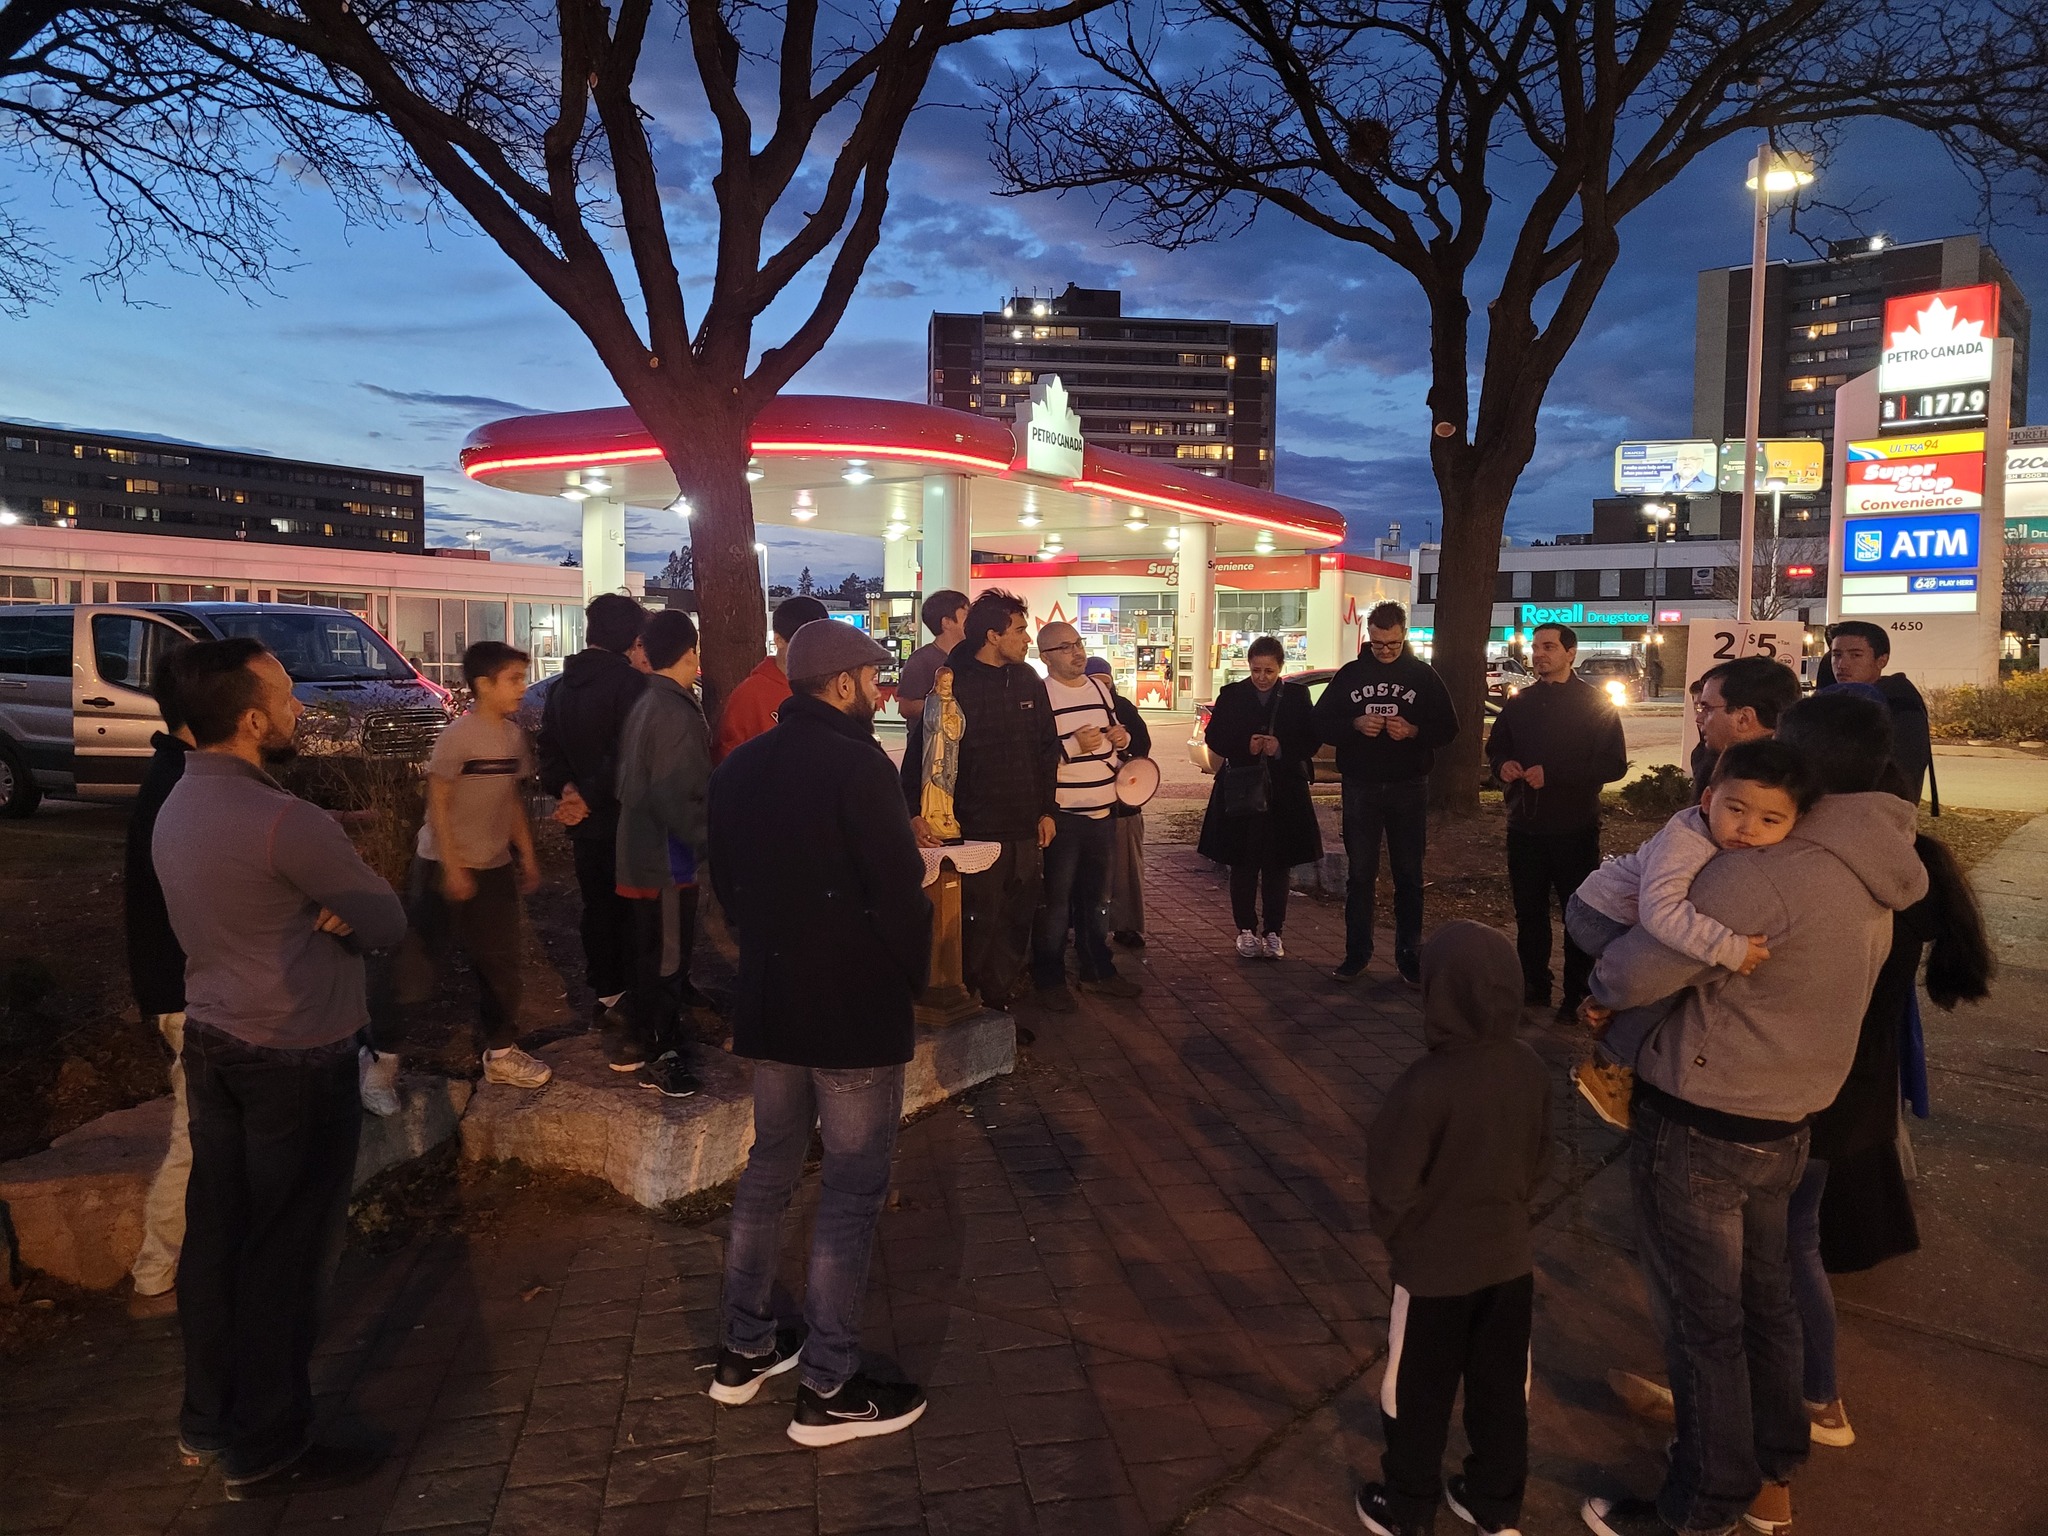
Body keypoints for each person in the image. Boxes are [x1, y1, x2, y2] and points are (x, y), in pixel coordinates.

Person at [1578, 691, 1928, 1536]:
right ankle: (1772, 1464)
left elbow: (1629, 973)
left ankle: (1703, 1498)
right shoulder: (1879, 861)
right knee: (1763, 1301)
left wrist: (1599, 978)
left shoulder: (1763, 871)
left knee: (1705, 1324)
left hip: (1705, 1116)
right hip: (1791, 1117)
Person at [153, 637, 407, 1499]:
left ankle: (205, 1419)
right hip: (294, 1054)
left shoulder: (178, 804)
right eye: (288, 695)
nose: (300, 707)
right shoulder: (283, 820)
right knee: (287, 1256)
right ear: (253, 717)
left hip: (215, 1041)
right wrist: (342, 902)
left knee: (219, 1238)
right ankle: (267, 1441)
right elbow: (386, 920)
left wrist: (321, 899)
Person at [707, 619, 933, 1446]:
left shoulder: (741, 767)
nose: (879, 693)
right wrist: (914, 976)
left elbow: (727, 883)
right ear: (840, 684)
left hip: (771, 1000)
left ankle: (743, 1346)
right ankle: (828, 1385)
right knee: (849, 1189)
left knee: (769, 1168)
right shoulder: (857, 764)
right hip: (852, 1009)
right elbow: (898, 889)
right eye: (872, 680)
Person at [1355, 922, 1549, 1536]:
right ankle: (1495, 1502)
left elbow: (1390, 1184)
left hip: (1433, 1271)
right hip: (1509, 1264)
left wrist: (1402, 1237)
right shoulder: (1531, 1067)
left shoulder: (1424, 1085)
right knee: (1500, 1388)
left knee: (1415, 1391)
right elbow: (1541, 1157)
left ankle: (1409, 1505)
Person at [1566, 739, 1815, 1129]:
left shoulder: (1733, 840)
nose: (1748, 829)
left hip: (1623, 913)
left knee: (1667, 971)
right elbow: (1660, 911)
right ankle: (1609, 1065)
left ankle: (1605, 1006)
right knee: (1668, 975)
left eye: (1770, 821)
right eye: (1735, 809)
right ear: (1707, 800)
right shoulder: (1687, 841)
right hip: (1598, 912)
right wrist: (1728, 948)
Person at [385, 641, 552, 1093]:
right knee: (419, 965)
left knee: (501, 964)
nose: (522, 687)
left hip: (494, 867)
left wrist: (528, 857)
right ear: (484, 685)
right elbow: (437, 803)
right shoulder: (457, 737)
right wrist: (454, 867)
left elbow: (510, 800)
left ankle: (500, 1053)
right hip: (441, 864)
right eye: (514, 679)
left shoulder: (513, 738)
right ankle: (380, 1060)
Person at [1484, 622, 1627, 1017]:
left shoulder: (1595, 703)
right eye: (1535, 646)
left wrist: (1555, 774)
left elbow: (1613, 764)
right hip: (1524, 825)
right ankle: (1533, 986)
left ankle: (1576, 992)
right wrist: (1504, 765)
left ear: (1570, 653)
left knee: (1576, 914)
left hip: (1574, 827)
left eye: (1548, 646)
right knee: (1528, 914)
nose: (1539, 653)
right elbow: (1496, 748)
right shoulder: (1520, 702)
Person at [1312, 602, 1459, 985]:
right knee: (1360, 874)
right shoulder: (1351, 675)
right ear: (1368, 637)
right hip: (1360, 785)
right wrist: (1355, 723)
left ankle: (1409, 955)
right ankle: (1356, 953)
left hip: (1408, 785)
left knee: (1408, 873)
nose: (1385, 651)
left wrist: (1413, 732)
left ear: (1404, 634)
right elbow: (1321, 723)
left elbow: (1449, 727)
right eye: (1378, 644)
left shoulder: (1422, 676)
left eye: (1392, 644)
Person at [929, 590, 1058, 1008]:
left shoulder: (1027, 680)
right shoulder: (952, 684)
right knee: (976, 926)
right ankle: (965, 1008)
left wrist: (1046, 810)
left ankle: (997, 1007)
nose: (1027, 639)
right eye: (1019, 630)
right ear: (992, 635)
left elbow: (1045, 747)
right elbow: (927, 756)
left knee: (1015, 925)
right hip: (976, 834)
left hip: (1025, 829)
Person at [539, 593, 650, 1037]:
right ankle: (632, 1004)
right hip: (625, 822)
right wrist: (586, 795)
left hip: (584, 826)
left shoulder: (561, 688)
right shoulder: (632, 687)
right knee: (634, 914)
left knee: (597, 908)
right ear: (631, 637)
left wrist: (567, 791)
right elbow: (628, 756)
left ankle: (606, 996)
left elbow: (548, 749)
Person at [612, 609, 712, 1094]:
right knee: (667, 958)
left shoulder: (649, 702)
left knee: (649, 951)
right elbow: (676, 794)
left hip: (641, 851)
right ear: (689, 652)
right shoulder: (674, 711)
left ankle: (640, 1037)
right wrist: (707, 842)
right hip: (666, 861)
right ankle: (659, 1049)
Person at [123, 651, 194, 1319]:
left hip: (182, 988)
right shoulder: (182, 788)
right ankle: (156, 1268)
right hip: (188, 992)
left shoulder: (177, 773)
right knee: (194, 1135)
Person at [1030, 622, 1143, 1011]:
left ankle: (1098, 970)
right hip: (1063, 815)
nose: (1077, 652)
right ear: (1046, 657)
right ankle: (1049, 978)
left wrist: (1120, 738)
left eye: (1078, 644)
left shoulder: (1098, 688)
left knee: (1098, 899)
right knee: (1057, 901)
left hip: (1103, 809)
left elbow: (1118, 733)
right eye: (1065, 647)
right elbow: (1035, 758)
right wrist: (1073, 745)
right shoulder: (1040, 695)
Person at [1196, 636, 1322, 959]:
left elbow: (1310, 739)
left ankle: (1274, 931)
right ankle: (1245, 929)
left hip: (1283, 791)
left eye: (1268, 670)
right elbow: (1215, 737)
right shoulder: (1233, 695)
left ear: (1281, 668)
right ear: (1248, 666)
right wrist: (1245, 746)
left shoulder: (1295, 696)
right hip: (1241, 789)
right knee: (1243, 862)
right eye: (1256, 670)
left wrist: (1280, 747)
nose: (1262, 677)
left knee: (1278, 865)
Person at [1825, 620, 1934, 807]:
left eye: (1856, 655)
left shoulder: (1900, 703)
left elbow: (1905, 771)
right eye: (1837, 655)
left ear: (1881, 660)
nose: (1842, 664)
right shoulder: (1838, 700)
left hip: (1880, 814)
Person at [1084, 655, 1153, 948]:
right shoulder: (1076, 709)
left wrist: (1123, 740)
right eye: (1095, 683)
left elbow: (1143, 745)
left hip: (1124, 801)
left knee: (1126, 869)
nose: (1101, 689)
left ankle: (1127, 925)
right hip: (1086, 802)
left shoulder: (1123, 707)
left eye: (1106, 683)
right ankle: (1084, 928)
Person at [714, 594, 830, 762]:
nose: (816, 652)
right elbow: (728, 761)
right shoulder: (751, 695)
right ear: (779, 640)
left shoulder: (833, 686)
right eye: (804, 644)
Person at [1687, 655, 1801, 802]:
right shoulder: (1710, 760)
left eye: (1708, 709)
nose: (1699, 718)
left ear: (1743, 718)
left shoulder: (1779, 786)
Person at [897, 588, 969, 808]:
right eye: (966, 614)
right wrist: (945, 708)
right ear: (947, 622)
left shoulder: (970, 658)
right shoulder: (922, 660)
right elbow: (906, 707)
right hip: (931, 758)